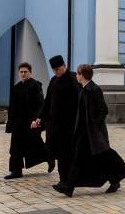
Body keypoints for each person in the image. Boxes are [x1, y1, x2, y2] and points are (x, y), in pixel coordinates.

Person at [55, 64, 125, 198]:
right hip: (83, 133)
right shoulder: (83, 90)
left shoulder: (95, 89)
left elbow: (103, 110)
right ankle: (68, 187)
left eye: (77, 74)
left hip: (93, 133)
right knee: (78, 158)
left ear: (82, 75)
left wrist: (94, 125)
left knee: (104, 156)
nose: (76, 76)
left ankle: (114, 180)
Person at [31, 55, 79, 189]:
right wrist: (40, 117)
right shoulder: (53, 81)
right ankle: (64, 180)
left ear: (64, 66)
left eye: (58, 69)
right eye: (55, 70)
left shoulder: (74, 79)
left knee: (65, 154)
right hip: (54, 125)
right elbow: (48, 102)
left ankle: (65, 181)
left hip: (68, 126)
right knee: (57, 152)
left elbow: (79, 103)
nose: (57, 72)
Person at [5, 62, 54, 179]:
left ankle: (50, 158)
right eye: (21, 72)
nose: (23, 74)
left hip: (31, 123)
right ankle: (16, 171)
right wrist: (10, 123)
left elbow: (40, 104)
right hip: (18, 123)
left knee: (36, 144)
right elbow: (12, 107)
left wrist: (36, 119)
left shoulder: (36, 85)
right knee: (15, 147)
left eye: (25, 72)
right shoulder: (16, 88)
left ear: (30, 72)